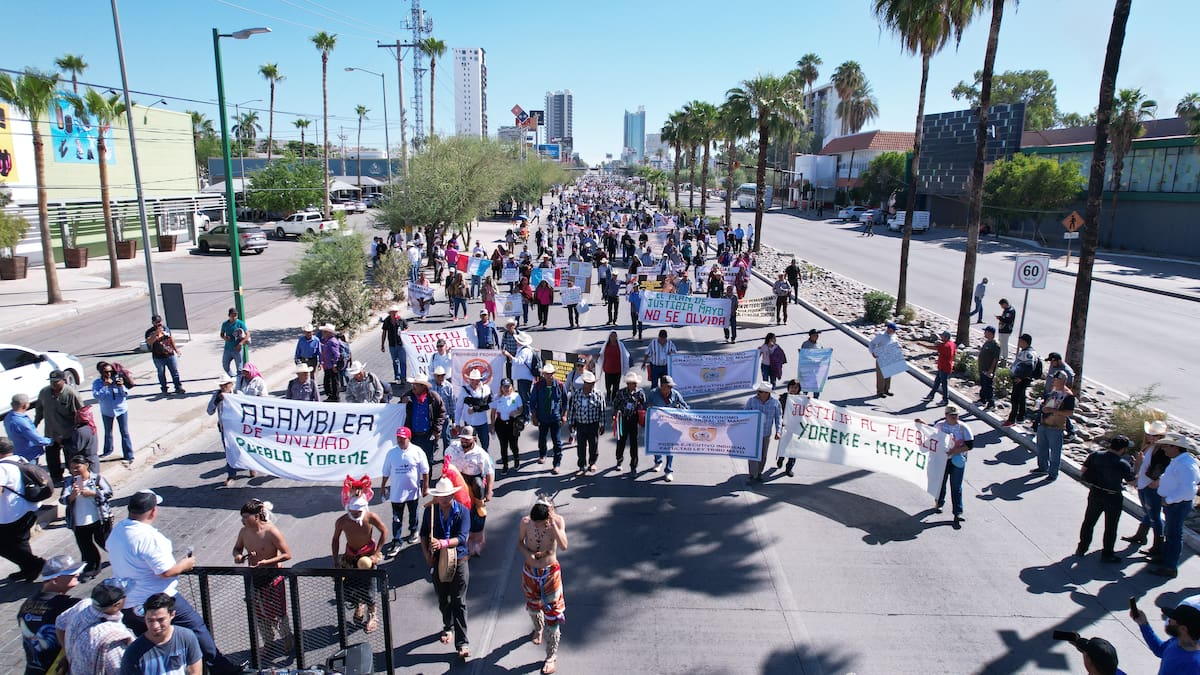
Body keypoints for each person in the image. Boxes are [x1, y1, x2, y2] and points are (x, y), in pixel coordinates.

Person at [107, 490, 236, 673]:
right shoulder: (149, 537)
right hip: (159, 598)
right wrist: (186, 564)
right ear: (153, 511)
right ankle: (222, 669)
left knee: (148, 641)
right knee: (196, 629)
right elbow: (166, 571)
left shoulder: (119, 530)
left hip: (129, 602)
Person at [230, 499, 293, 652]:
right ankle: (269, 643)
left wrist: (267, 562)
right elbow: (237, 549)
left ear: (256, 516)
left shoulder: (271, 531)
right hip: (255, 578)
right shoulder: (244, 532)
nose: (243, 520)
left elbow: (287, 554)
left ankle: (287, 640)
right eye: (242, 517)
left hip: (272, 577)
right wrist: (239, 556)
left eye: (246, 517)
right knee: (259, 614)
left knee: (279, 613)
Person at [421, 477, 471, 660]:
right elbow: (424, 534)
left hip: (459, 560)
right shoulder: (430, 512)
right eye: (439, 496)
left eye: (446, 495)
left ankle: (462, 643)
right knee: (443, 599)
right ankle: (447, 626)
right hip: (438, 561)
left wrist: (443, 543)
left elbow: (463, 538)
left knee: (459, 600)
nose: (442, 499)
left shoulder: (463, 512)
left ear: (452, 495)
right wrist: (427, 553)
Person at [519, 497, 569, 675]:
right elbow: (520, 542)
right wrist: (528, 555)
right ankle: (538, 629)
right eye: (535, 523)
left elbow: (563, 546)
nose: (537, 526)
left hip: (550, 573)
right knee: (533, 607)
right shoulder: (526, 522)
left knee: (553, 615)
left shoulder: (557, 521)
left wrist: (553, 523)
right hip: (530, 572)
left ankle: (551, 656)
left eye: (541, 523)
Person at [330, 494, 387, 633]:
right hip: (350, 558)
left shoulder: (370, 517)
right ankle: (358, 604)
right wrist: (335, 561)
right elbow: (335, 539)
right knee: (350, 588)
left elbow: (384, 531)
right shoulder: (342, 521)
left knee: (369, 589)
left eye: (359, 511)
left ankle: (372, 614)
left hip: (367, 559)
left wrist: (376, 553)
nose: (355, 514)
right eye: (353, 511)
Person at [1075, 436, 1136, 563]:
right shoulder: (1122, 464)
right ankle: (1107, 553)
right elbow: (1132, 483)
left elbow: (1083, 470)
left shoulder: (1095, 455)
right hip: (1113, 496)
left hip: (1095, 492)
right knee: (1111, 526)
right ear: (1123, 449)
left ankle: (1082, 548)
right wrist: (1138, 466)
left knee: (1089, 522)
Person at [18, 555, 83, 675]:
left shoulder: (26, 605)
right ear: (55, 580)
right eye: (72, 573)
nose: (77, 574)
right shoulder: (69, 606)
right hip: (58, 669)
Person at [55, 578, 135, 675]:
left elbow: (60, 623)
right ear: (117, 605)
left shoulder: (83, 605)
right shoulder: (112, 637)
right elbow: (119, 671)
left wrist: (69, 653)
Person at [1147, 433, 1200, 578]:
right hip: (1174, 503)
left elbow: (1188, 490)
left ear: (1175, 447)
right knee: (1171, 533)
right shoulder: (1180, 461)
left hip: (1177, 504)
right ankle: (1166, 558)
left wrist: (1169, 500)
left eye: (1166, 446)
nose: (1163, 449)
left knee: (1174, 535)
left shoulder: (1186, 465)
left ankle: (1170, 567)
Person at [916, 406, 974, 525]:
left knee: (956, 486)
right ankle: (939, 503)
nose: (954, 417)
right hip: (942, 460)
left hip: (957, 460)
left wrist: (954, 451)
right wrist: (922, 425)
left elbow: (969, 445)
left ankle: (957, 512)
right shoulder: (940, 425)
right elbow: (932, 435)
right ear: (946, 415)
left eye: (956, 415)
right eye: (951, 415)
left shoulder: (963, 428)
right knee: (941, 483)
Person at [119, 593, 203, 675]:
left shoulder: (186, 637)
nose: (155, 626)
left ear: (172, 615)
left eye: (160, 620)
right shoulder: (133, 652)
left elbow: (195, 671)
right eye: (150, 620)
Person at [59, 455, 113, 581]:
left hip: (98, 518)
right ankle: (92, 568)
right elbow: (63, 499)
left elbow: (108, 492)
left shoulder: (96, 479)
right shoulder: (69, 482)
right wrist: (72, 495)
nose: (74, 471)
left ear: (86, 466)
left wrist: (93, 493)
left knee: (105, 541)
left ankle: (121, 556)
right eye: (72, 468)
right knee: (85, 546)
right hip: (79, 521)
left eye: (77, 467)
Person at [0, 437, 47, 582]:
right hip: (29, 508)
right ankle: (28, 569)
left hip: (13, 514)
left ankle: (36, 564)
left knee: (4, 545)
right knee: (20, 542)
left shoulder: (2, 468)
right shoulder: (20, 459)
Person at [444, 426, 494, 558]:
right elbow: (446, 462)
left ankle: (479, 511)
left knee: (477, 491)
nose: (464, 442)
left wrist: (489, 491)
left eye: (467, 439)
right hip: (457, 477)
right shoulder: (452, 448)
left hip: (473, 479)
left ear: (474, 439)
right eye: (462, 439)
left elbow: (489, 472)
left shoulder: (481, 454)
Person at [380, 427, 430, 556]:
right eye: (398, 438)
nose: (400, 440)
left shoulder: (417, 451)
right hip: (397, 493)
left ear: (409, 438)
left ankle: (414, 531)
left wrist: (425, 487)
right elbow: (386, 471)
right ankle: (397, 541)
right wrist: (382, 486)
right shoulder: (391, 453)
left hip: (412, 491)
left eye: (403, 438)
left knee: (413, 514)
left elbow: (425, 471)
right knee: (396, 518)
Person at [1124, 420, 1170, 554]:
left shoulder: (1162, 451)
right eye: (1150, 434)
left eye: (1155, 436)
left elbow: (1163, 469)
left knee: (1154, 515)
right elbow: (1141, 467)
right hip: (1144, 484)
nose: (1151, 437)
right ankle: (1141, 536)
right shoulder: (1148, 447)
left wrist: (1155, 481)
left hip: (1151, 486)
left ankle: (1157, 545)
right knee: (1149, 512)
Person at [36, 370, 83, 485]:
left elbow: (81, 414)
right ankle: (56, 478)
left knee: (70, 460)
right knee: (52, 460)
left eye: (56, 382)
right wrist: (35, 424)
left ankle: (74, 480)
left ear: (64, 380)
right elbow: (39, 411)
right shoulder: (44, 392)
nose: (53, 384)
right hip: (51, 434)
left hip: (67, 434)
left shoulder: (71, 394)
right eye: (52, 381)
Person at [1131, 602, 1200, 672]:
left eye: (1173, 619)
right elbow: (1159, 649)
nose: (1169, 620)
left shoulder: (1193, 666)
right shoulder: (1176, 641)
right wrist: (1143, 623)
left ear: (1183, 629)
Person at [1033, 372, 1075, 482]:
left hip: (1056, 426)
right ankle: (1042, 467)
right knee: (1041, 447)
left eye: (1055, 379)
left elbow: (1069, 412)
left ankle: (1053, 473)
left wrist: (1052, 410)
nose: (1053, 381)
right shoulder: (1054, 390)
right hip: (1044, 423)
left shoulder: (1068, 395)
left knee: (1055, 452)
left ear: (1062, 380)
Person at [648, 375, 689, 482]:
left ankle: (668, 470)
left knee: (670, 448)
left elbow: (686, 407)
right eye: (667, 386)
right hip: (657, 425)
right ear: (661, 386)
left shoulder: (676, 394)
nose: (670, 388)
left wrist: (680, 409)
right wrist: (649, 407)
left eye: (671, 386)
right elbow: (645, 407)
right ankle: (658, 461)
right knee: (657, 445)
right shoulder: (653, 394)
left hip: (672, 426)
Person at [92, 362, 134, 465]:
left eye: (111, 371)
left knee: (124, 432)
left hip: (121, 409)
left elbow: (125, 394)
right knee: (108, 432)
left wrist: (120, 386)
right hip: (107, 410)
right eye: (106, 372)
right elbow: (97, 396)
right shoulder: (98, 383)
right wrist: (105, 386)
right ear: (102, 372)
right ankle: (107, 450)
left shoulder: (117, 379)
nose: (109, 374)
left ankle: (128, 454)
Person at [402, 374, 447, 467]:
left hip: (427, 435)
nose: (413, 387)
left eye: (416, 384)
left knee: (427, 462)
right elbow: (399, 407)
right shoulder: (409, 396)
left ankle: (427, 481)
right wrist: (402, 401)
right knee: (412, 461)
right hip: (413, 435)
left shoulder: (434, 397)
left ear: (423, 386)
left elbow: (441, 413)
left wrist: (436, 430)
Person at [531, 364, 568, 473]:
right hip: (542, 418)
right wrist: (534, 416)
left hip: (555, 418)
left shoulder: (560, 385)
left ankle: (556, 464)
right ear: (544, 374)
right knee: (542, 439)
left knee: (557, 441)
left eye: (551, 374)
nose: (549, 376)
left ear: (554, 374)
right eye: (547, 374)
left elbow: (565, 402)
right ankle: (542, 454)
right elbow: (532, 402)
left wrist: (564, 415)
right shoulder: (537, 386)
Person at [567, 371, 605, 476]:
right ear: (584, 383)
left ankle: (592, 462)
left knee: (593, 445)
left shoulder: (598, 395)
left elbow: (602, 410)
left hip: (593, 424)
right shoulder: (577, 394)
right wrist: (571, 423)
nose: (591, 385)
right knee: (581, 446)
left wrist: (602, 424)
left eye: (592, 383)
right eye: (589, 383)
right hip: (580, 424)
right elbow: (573, 410)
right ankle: (581, 466)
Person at [744, 382, 782, 482]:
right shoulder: (751, 401)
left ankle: (759, 472)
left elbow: (778, 417)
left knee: (763, 455)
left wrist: (778, 431)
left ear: (767, 393)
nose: (759, 393)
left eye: (762, 391)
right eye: (759, 391)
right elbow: (745, 415)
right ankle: (753, 474)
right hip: (753, 433)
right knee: (752, 455)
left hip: (766, 433)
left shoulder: (775, 403)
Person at [489, 379, 525, 474]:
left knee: (513, 445)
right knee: (503, 445)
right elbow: (493, 413)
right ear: (501, 388)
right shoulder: (497, 397)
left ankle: (516, 459)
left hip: (512, 424)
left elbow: (521, 409)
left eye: (508, 386)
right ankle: (505, 465)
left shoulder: (516, 396)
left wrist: (516, 412)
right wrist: (492, 426)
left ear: (511, 387)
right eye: (504, 387)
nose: (506, 389)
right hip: (500, 424)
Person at [5, 394, 52, 463]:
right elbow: (37, 440)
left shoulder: (8, 417)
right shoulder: (21, 422)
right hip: (29, 456)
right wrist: (52, 441)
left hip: (18, 453)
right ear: (25, 405)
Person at [1003, 334, 1039, 427]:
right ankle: (1020, 417)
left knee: (1015, 398)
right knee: (1021, 398)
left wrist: (1020, 377)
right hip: (1021, 378)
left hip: (1021, 379)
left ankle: (1012, 419)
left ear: (1024, 342)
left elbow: (1029, 367)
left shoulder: (1028, 353)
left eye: (1020, 341)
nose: (1019, 343)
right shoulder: (1026, 351)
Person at [456, 369, 493, 452]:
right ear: (469, 380)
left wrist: (475, 409)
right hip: (469, 423)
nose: (474, 382)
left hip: (482, 422)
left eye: (477, 380)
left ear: (480, 379)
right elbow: (458, 407)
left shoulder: (486, 389)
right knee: (470, 448)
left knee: (485, 446)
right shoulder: (464, 390)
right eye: (472, 380)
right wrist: (457, 423)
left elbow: (490, 404)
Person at [146, 323, 184, 395]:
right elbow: (149, 342)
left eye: (160, 326)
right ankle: (164, 388)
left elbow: (171, 340)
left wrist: (176, 350)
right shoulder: (150, 333)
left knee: (174, 371)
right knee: (161, 373)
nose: (160, 328)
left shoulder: (166, 331)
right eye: (158, 326)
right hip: (158, 357)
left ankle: (178, 387)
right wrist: (155, 335)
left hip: (169, 355)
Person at [922, 331, 956, 407]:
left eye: (942, 336)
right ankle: (931, 395)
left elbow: (932, 347)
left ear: (946, 337)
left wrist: (921, 344)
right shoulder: (952, 344)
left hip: (944, 367)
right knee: (937, 382)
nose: (941, 337)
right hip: (945, 366)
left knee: (944, 384)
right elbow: (954, 355)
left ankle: (945, 400)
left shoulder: (945, 345)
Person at [775, 379, 802, 476]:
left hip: (797, 427)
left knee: (794, 449)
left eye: (796, 388)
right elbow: (779, 410)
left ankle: (789, 468)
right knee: (784, 445)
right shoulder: (783, 397)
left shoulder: (802, 399)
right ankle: (781, 458)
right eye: (792, 387)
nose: (793, 389)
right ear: (788, 388)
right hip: (786, 426)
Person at [594, 331, 629, 402]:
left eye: (614, 336)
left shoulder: (620, 345)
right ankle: (608, 395)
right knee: (608, 386)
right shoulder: (606, 345)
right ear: (609, 337)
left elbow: (625, 355)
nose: (613, 338)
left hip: (617, 370)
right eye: (612, 336)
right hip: (608, 370)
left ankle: (613, 399)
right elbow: (601, 354)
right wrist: (597, 356)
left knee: (616, 387)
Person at [869, 322, 899, 397]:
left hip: (890, 356)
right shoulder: (881, 335)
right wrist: (872, 352)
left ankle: (886, 390)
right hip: (881, 356)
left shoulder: (894, 336)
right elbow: (872, 343)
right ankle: (880, 391)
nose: (895, 331)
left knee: (888, 374)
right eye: (893, 330)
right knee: (881, 375)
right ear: (888, 329)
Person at [219, 307, 250, 378]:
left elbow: (247, 334)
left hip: (237, 349)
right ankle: (233, 377)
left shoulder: (240, 323)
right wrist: (224, 337)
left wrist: (241, 343)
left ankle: (239, 382)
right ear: (229, 315)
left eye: (235, 315)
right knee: (225, 365)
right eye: (233, 315)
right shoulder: (225, 324)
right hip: (228, 349)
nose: (234, 317)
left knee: (239, 368)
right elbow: (221, 334)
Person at [380, 306, 408, 382]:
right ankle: (397, 376)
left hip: (401, 344)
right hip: (392, 344)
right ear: (390, 313)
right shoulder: (387, 321)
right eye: (393, 312)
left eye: (395, 311)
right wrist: (382, 344)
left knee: (403, 361)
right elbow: (384, 332)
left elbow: (407, 328)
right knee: (395, 361)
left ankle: (403, 377)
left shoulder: (401, 320)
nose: (394, 313)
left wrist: (404, 333)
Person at [976, 327, 1000, 410]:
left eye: (986, 332)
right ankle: (983, 400)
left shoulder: (995, 344)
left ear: (990, 333)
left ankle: (991, 404)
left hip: (988, 369)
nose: (984, 333)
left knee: (988, 386)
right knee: (983, 385)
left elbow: (995, 358)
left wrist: (991, 370)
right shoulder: (987, 342)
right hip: (983, 368)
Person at [318, 324, 342, 402]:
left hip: (331, 366)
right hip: (327, 365)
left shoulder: (332, 341)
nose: (323, 333)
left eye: (324, 332)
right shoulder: (326, 341)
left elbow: (336, 354)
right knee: (328, 381)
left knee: (334, 381)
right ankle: (331, 395)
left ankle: (335, 397)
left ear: (329, 333)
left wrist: (335, 364)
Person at [995, 299, 1015, 365]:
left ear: (1005, 304)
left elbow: (1008, 320)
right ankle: (999, 356)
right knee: (1001, 343)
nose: (1001, 307)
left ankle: (1004, 358)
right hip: (1002, 329)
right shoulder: (1006, 310)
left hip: (1006, 330)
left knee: (1004, 344)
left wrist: (1000, 318)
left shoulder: (1010, 311)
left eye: (1002, 305)